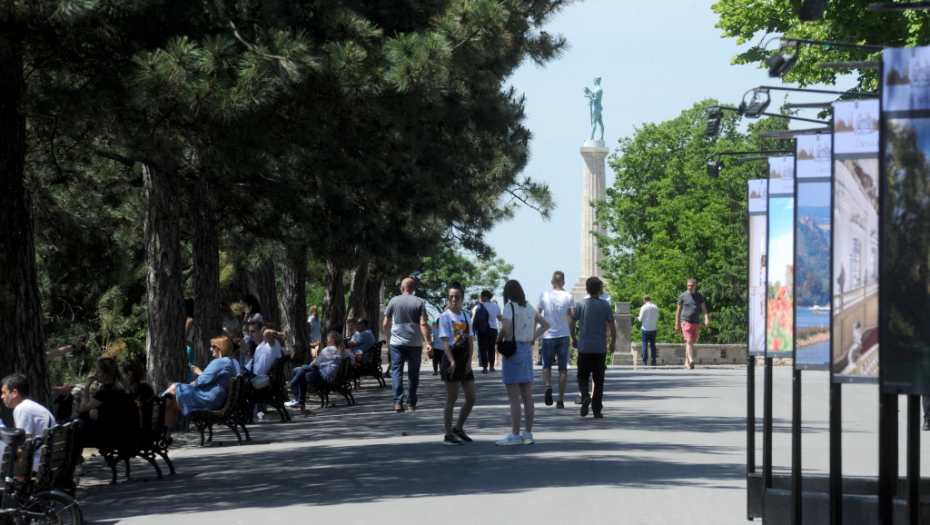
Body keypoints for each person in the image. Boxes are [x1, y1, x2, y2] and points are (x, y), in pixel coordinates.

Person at [495, 280, 549, 446]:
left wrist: (498, 340)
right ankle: (528, 433)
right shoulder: (528, 307)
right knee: (527, 395)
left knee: (513, 397)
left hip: (513, 351)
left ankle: (515, 434)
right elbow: (546, 324)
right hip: (526, 350)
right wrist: (532, 336)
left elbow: (505, 327)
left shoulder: (509, 307)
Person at [163, 337, 237, 430]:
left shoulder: (220, 362)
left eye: (214, 347)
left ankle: (154, 411)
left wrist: (195, 382)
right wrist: (199, 377)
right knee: (171, 404)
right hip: (216, 399)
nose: (211, 349)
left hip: (208, 398)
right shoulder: (229, 362)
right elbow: (208, 379)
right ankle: (166, 435)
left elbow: (202, 381)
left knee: (174, 386)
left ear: (221, 348)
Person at [570, 276, 616, 418]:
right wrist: (613, 341)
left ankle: (584, 396)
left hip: (584, 347)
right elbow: (612, 324)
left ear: (586, 289)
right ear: (600, 290)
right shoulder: (605, 305)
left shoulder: (582, 304)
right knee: (598, 379)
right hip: (599, 348)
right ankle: (597, 408)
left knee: (582, 376)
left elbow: (572, 321)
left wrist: (573, 338)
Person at [383, 278, 430, 413]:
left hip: (397, 342)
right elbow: (423, 323)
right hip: (414, 342)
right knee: (413, 373)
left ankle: (398, 402)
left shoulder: (393, 301)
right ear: (413, 289)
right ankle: (411, 403)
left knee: (397, 372)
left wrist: (389, 339)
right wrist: (428, 342)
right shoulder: (419, 302)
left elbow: (386, 323)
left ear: (402, 288)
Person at [439, 282, 476, 446]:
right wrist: (452, 361)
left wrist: (469, 361)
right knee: (452, 397)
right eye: (451, 297)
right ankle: (448, 435)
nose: (454, 299)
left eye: (457, 297)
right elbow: (445, 341)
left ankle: (458, 428)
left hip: (464, 359)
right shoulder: (445, 316)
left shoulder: (467, 316)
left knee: (471, 397)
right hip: (451, 358)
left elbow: (470, 341)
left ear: (462, 298)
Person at [76, 358, 138, 449]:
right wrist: (97, 411)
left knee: (73, 423)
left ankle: (69, 460)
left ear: (106, 374)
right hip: (125, 433)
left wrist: (87, 385)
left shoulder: (108, 389)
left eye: (98, 372)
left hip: (112, 436)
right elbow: (113, 410)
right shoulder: (123, 388)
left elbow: (83, 407)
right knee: (75, 422)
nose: (95, 374)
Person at [537, 271, 575, 409]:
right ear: (563, 283)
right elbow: (572, 317)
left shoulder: (544, 295)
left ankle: (548, 386)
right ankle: (560, 399)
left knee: (546, 365)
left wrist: (533, 333)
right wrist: (573, 333)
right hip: (563, 334)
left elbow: (537, 314)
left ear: (552, 282)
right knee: (563, 368)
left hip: (548, 335)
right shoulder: (568, 296)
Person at [1, 373, 56, 467]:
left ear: (14, 393)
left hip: (37, 463)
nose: (2, 396)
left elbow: (25, 444)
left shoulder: (22, 408)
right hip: (48, 459)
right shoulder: (32, 406)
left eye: (4, 393)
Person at [290, 332, 348, 413]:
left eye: (327, 340)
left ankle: (297, 398)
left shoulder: (328, 349)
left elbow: (314, 363)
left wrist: (312, 365)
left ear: (333, 341)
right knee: (298, 370)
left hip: (323, 375)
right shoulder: (341, 350)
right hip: (328, 375)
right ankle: (299, 400)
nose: (325, 341)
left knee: (300, 371)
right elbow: (351, 358)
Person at [675, 278, 710, 370]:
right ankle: (691, 360)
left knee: (690, 343)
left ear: (695, 286)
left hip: (696, 322)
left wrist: (706, 318)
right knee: (689, 340)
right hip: (685, 321)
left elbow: (703, 308)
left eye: (692, 285)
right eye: (688, 285)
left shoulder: (699, 296)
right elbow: (678, 311)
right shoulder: (683, 296)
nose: (690, 287)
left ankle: (686, 363)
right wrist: (676, 324)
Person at [471, 290, 503, 374]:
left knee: (483, 349)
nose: (480, 298)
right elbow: (500, 318)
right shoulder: (496, 307)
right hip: (493, 329)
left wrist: (472, 329)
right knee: (491, 348)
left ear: (485, 297)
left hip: (482, 329)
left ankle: (485, 367)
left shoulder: (478, 307)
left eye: (481, 296)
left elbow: (473, 319)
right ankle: (491, 366)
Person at [639, 295, 659, 366]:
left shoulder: (643, 307)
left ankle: (644, 361)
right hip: (653, 328)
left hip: (645, 328)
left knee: (645, 345)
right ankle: (653, 361)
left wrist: (638, 318)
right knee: (653, 345)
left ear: (644, 300)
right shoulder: (655, 307)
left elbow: (641, 318)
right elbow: (657, 318)